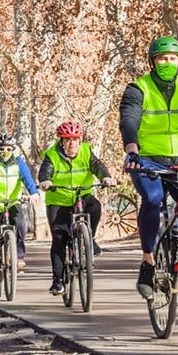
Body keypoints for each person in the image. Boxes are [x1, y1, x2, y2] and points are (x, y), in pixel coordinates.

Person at [119, 36, 178, 300]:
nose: (168, 63)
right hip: (147, 160)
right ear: (152, 61)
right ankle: (148, 260)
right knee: (153, 199)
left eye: (173, 59)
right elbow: (129, 121)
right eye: (162, 59)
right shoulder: (138, 89)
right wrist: (132, 151)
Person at [38, 121, 118, 295]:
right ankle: (58, 281)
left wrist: (106, 178)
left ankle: (90, 237)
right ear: (61, 141)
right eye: (67, 140)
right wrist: (46, 181)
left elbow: (98, 166)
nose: (71, 143)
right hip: (59, 200)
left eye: (74, 139)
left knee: (95, 207)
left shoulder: (86, 151)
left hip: (83, 195)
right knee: (59, 238)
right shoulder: (52, 155)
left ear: (79, 140)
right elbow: (45, 171)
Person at [0, 133, 39, 278]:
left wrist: (33, 192)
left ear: (13, 150)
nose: (5, 152)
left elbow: (27, 179)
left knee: (20, 225)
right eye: (2, 148)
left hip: (12, 202)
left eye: (9, 149)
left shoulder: (19, 162)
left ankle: (19, 255)